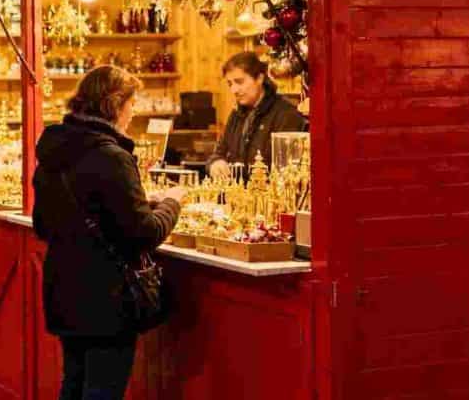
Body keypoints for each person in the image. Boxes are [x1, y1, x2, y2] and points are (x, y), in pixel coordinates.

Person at [33, 65, 185, 400]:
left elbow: (43, 224)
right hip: (107, 298)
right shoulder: (112, 157)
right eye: (132, 103)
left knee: (73, 384)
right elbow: (145, 233)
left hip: (63, 290)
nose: (134, 112)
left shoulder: (52, 154)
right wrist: (172, 203)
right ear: (115, 105)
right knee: (103, 390)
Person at [206, 52, 308, 180]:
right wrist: (216, 163)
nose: (234, 90)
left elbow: (286, 170)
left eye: (239, 82)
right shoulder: (236, 114)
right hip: (237, 191)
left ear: (259, 78)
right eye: (230, 84)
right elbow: (219, 152)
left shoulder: (286, 114)